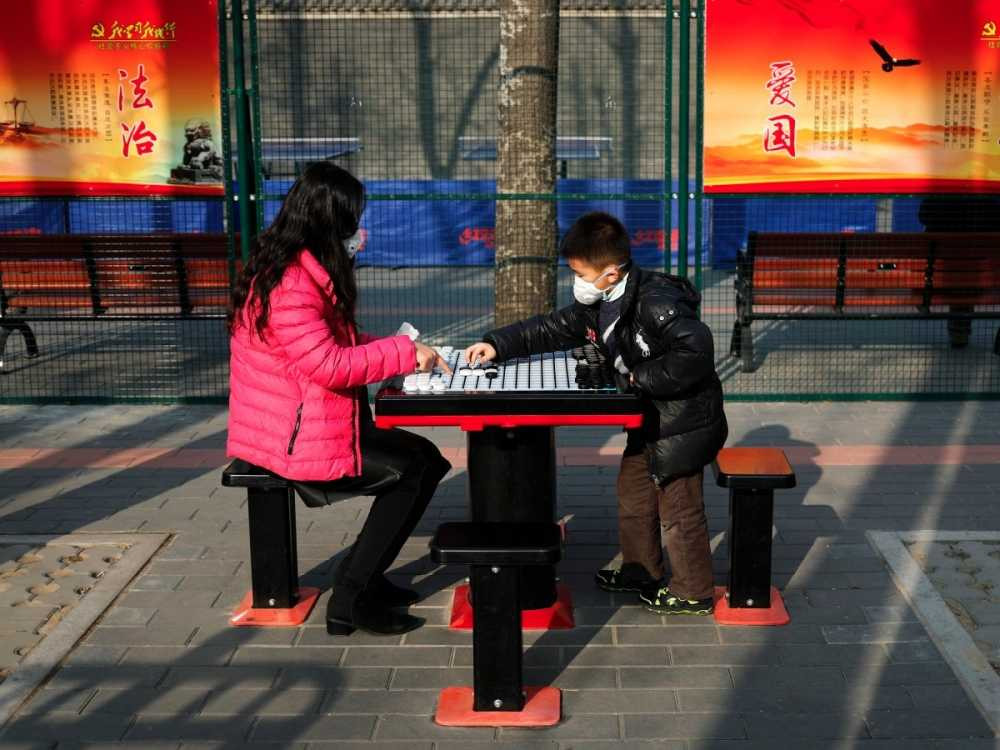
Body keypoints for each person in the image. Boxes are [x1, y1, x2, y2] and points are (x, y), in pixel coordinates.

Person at [226, 162, 451, 636]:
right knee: (411, 470)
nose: (358, 231)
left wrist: (399, 349)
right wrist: (403, 354)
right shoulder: (292, 283)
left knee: (425, 459)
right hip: (295, 436)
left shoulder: (301, 267)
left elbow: (337, 341)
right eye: (352, 220)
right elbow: (327, 364)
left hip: (312, 419)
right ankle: (351, 597)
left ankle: (367, 577)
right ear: (331, 221)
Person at [465, 212, 727, 615]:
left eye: (580, 272)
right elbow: (550, 328)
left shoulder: (655, 302)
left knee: (678, 508)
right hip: (652, 420)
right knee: (634, 493)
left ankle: (693, 591)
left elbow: (696, 352)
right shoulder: (600, 302)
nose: (576, 281)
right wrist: (498, 344)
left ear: (611, 272)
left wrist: (640, 376)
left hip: (683, 422)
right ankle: (641, 570)